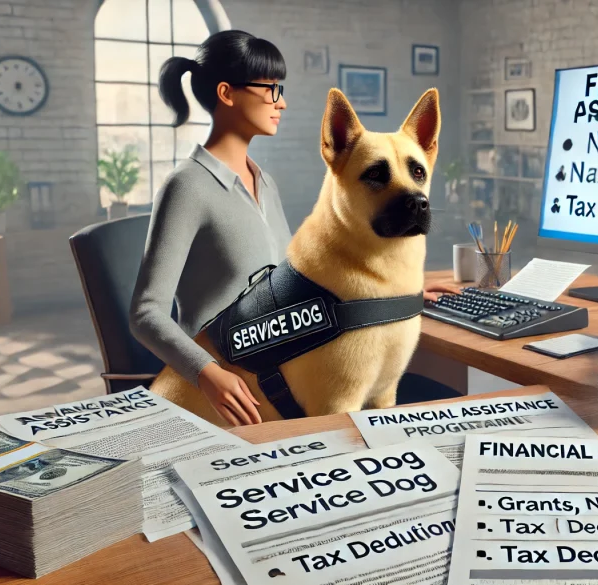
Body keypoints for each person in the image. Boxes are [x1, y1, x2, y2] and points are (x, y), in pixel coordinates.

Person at [129, 30, 457, 428]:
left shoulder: (263, 180)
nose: (280, 101)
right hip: (223, 387)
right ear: (227, 93)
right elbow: (146, 313)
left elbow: (290, 278)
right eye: (269, 89)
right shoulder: (187, 185)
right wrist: (207, 373)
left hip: (283, 358)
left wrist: (395, 296)